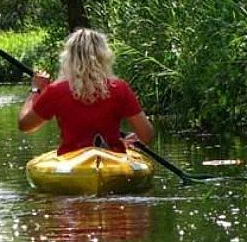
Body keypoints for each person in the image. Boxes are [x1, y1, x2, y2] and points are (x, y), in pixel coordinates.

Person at [18, 28, 154, 155]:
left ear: (69, 58)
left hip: (71, 160)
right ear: (104, 57)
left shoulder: (56, 90)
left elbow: (25, 125)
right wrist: (132, 140)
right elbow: (147, 135)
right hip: (112, 157)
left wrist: (36, 90)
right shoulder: (119, 88)